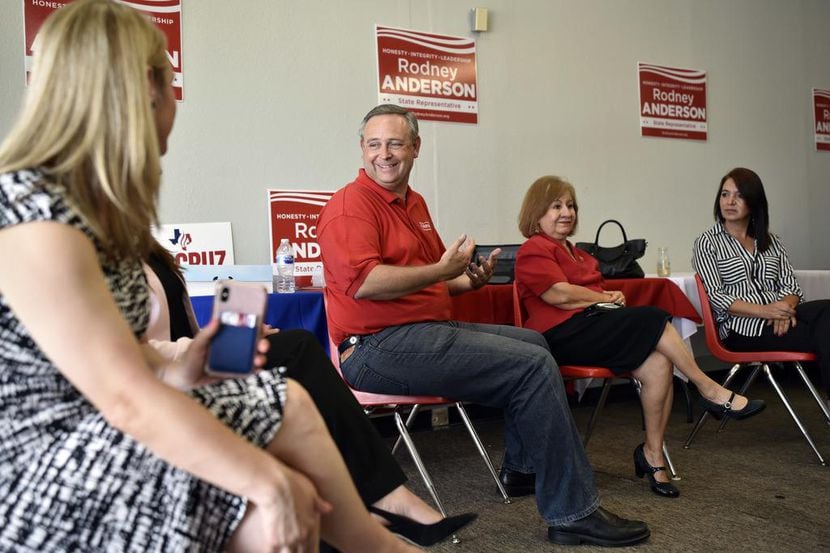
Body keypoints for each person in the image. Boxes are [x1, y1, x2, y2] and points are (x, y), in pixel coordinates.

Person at [0, 3, 423, 551]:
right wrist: (263, 479)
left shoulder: (86, 207)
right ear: (148, 86)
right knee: (273, 509)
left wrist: (185, 364)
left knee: (287, 400)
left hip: (96, 427)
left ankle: (379, 542)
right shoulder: (37, 215)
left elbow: (124, 362)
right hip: (46, 467)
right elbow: (122, 399)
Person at [317, 103, 651, 547]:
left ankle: (522, 469)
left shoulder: (412, 204)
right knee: (530, 366)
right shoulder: (351, 206)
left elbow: (428, 284)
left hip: (417, 332)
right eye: (374, 144)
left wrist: (463, 281)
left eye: (396, 143)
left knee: (535, 342)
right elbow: (367, 284)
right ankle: (573, 513)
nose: (385, 154)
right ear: (361, 149)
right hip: (375, 348)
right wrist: (441, 273)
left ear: (416, 147)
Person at [143, 243, 476, 547]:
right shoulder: (103, 253)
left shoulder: (148, 248)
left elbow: (183, 330)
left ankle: (369, 510)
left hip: (196, 365)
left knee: (295, 358)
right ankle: (382, 503)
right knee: (297, 351)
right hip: (167, 381)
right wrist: (202, 348)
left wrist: (226, 339)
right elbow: (133, 351)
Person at [513, 176, 766, 499]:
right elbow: (558, 295)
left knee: (658, 361)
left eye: (571, 205)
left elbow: (589, 296)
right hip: (561, 336)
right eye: (557, 206)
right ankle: (709, 388)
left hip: (592, 327)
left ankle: (653, 454)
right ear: (536, 213)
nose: (567, 212)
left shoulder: (578, 254)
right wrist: (602, 297)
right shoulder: (534, 249)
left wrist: (603, 298)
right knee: (652, 316)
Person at [693, 167, 830, 409]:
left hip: (782, 318)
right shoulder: (707, 243)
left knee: (827, 311)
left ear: (754, 202)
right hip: (742, 330)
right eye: (725, 195)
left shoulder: (771, 241)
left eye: (739, 195)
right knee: (824, 332)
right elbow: (717, 297)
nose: (730, 202)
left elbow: (791, 285)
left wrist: (783, 310)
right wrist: (766, 312)